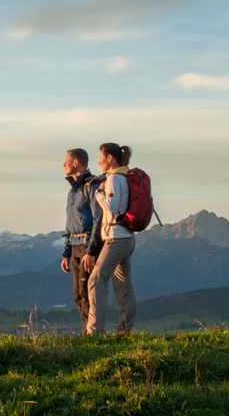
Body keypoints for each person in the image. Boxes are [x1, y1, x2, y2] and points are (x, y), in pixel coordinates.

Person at [82, 143, 136, 335]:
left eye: (101, 157)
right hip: (127, 237)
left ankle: (95, 330)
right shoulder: (125, 176)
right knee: (123, 285)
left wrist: (99, 194)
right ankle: (126, 328)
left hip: (116, 238)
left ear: (110, 158)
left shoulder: (113, 178)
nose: (99, 161)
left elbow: (112, 208)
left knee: (96, 279)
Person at [61, 148, 102, 334]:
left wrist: (91, 250)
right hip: (75, 246)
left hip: (86, 245)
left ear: (76, 163)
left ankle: (93, 334)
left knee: (87, 293)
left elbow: (97, 219)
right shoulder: (72, 192)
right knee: (77, 295)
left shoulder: (91, 186)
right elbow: (69, 224)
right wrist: (66, 252)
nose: (63, 165)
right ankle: (88, 331)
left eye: (66, 161)